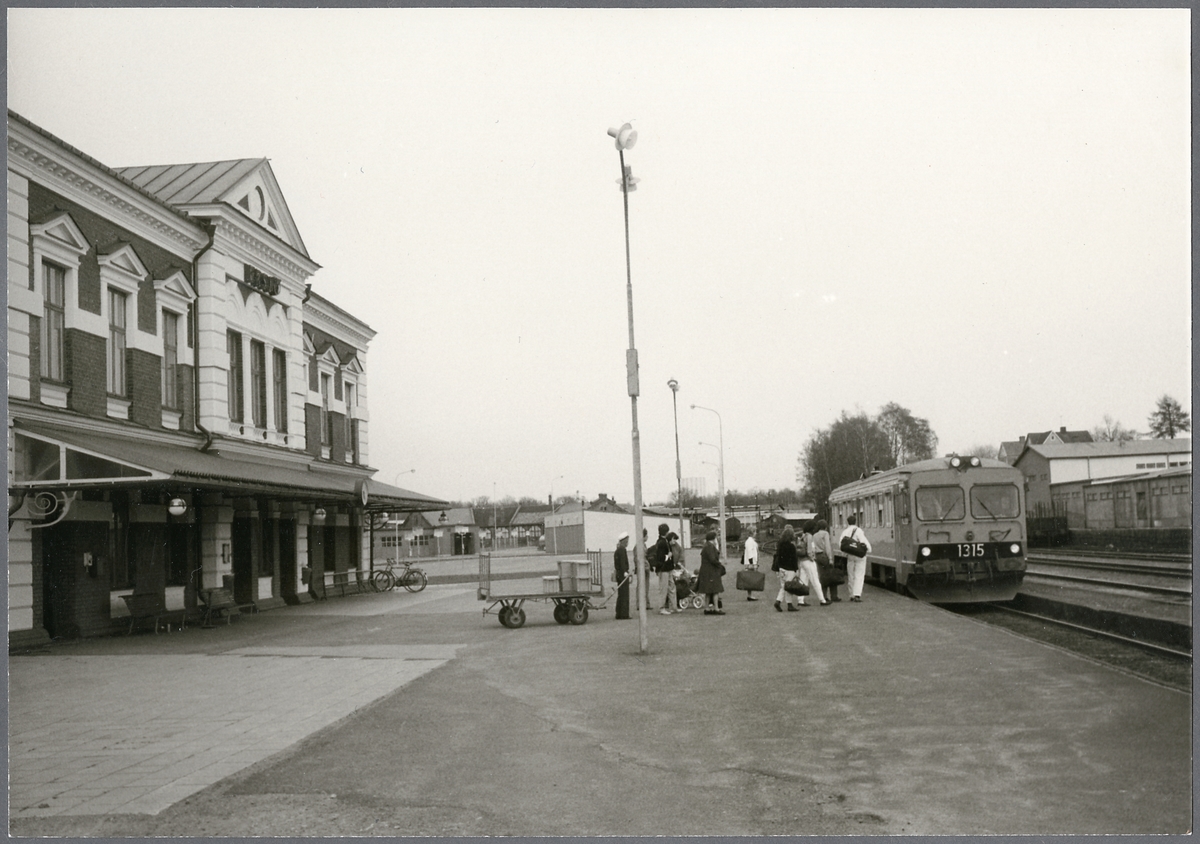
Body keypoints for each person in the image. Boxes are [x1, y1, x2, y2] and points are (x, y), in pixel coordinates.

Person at [839, 515, 872, 602]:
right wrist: (868, 549)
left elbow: (841, 545)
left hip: (850, 556)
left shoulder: (845, 532)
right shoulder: (859, 531)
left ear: (848, 522)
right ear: (855, 521)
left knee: (851, 575)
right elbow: (864, 542)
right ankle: (857, 594)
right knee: (859, 575)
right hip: (859, 556)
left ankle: (851, 595)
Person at [796, 521, 828, 607]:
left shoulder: (803, 536)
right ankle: (822, 600)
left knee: (803, 581)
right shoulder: (809, 536)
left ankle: (800, 600)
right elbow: (809, 550)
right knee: (815, 580)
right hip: (808, 561)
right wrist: (812, 558)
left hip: (802, 561)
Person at [771, 526, 801, 612]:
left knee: (783, 586)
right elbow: (794, 559)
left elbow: (777, 557)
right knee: (788, 587)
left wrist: (778, 569)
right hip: (790, 570)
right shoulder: (791, 546)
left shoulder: (780, 545)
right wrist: (797, 570)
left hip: (782, 569)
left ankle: (786, 604)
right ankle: (783, 602)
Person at [695, 529, 725, 614]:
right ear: (713, 538)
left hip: (706, 571)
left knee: (708, 591)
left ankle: (707, 608)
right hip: (711, 571)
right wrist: (719, 564)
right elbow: (713, 559)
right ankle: (716, 608)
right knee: (715, 590)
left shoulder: (706, 546)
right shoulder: (710, 547)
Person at [811, 519, 838, 603]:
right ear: (825, 527)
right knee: (831, 576)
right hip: (824, 556)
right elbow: (827, 546)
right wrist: (830, 558)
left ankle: (824, 596)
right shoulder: (825, 534)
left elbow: (813, 547)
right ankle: (834, 596)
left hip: (817, 556)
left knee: (822, 577)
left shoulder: (814, 535)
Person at [653, 523, 676, 615]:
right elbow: (660, 557)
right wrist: (668, 556)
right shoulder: (662, 543)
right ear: (666, 532)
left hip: (667, 568)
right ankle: (662, 607)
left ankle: (673, 607)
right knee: (664, 588)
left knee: (671, 587)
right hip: (664, 568)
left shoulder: (663, 541)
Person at [613, 532, 632, 619]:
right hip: (623, 575)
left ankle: (619, 613)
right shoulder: (622, 550)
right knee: (624, 595)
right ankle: (624, 614)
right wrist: (625, 572)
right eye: (627, 541)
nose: (628, 542)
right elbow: (622, 562)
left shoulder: (618, 549)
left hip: (619, 575)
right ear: (624, 541)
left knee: (621, 595)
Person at [667, 531, 686, 609]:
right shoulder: (668, 546)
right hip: (671, 568)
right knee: (670, 586)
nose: (675, 541)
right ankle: (669, 603)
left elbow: (681, 557)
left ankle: (676, 602)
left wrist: (680, 565)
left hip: (677, 569)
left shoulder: (678, 547)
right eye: (674, 539)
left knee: (676, 586)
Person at [742, 534, 760, 601]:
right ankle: (750, 595)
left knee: (750, 578)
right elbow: (750, 552)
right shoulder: (749, 541)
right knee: (750, 578)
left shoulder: (751, 541)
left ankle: (750, 595)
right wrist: (751, 563)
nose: (755, 533)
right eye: (755, 531)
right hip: (750, 562)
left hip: (751, 562)